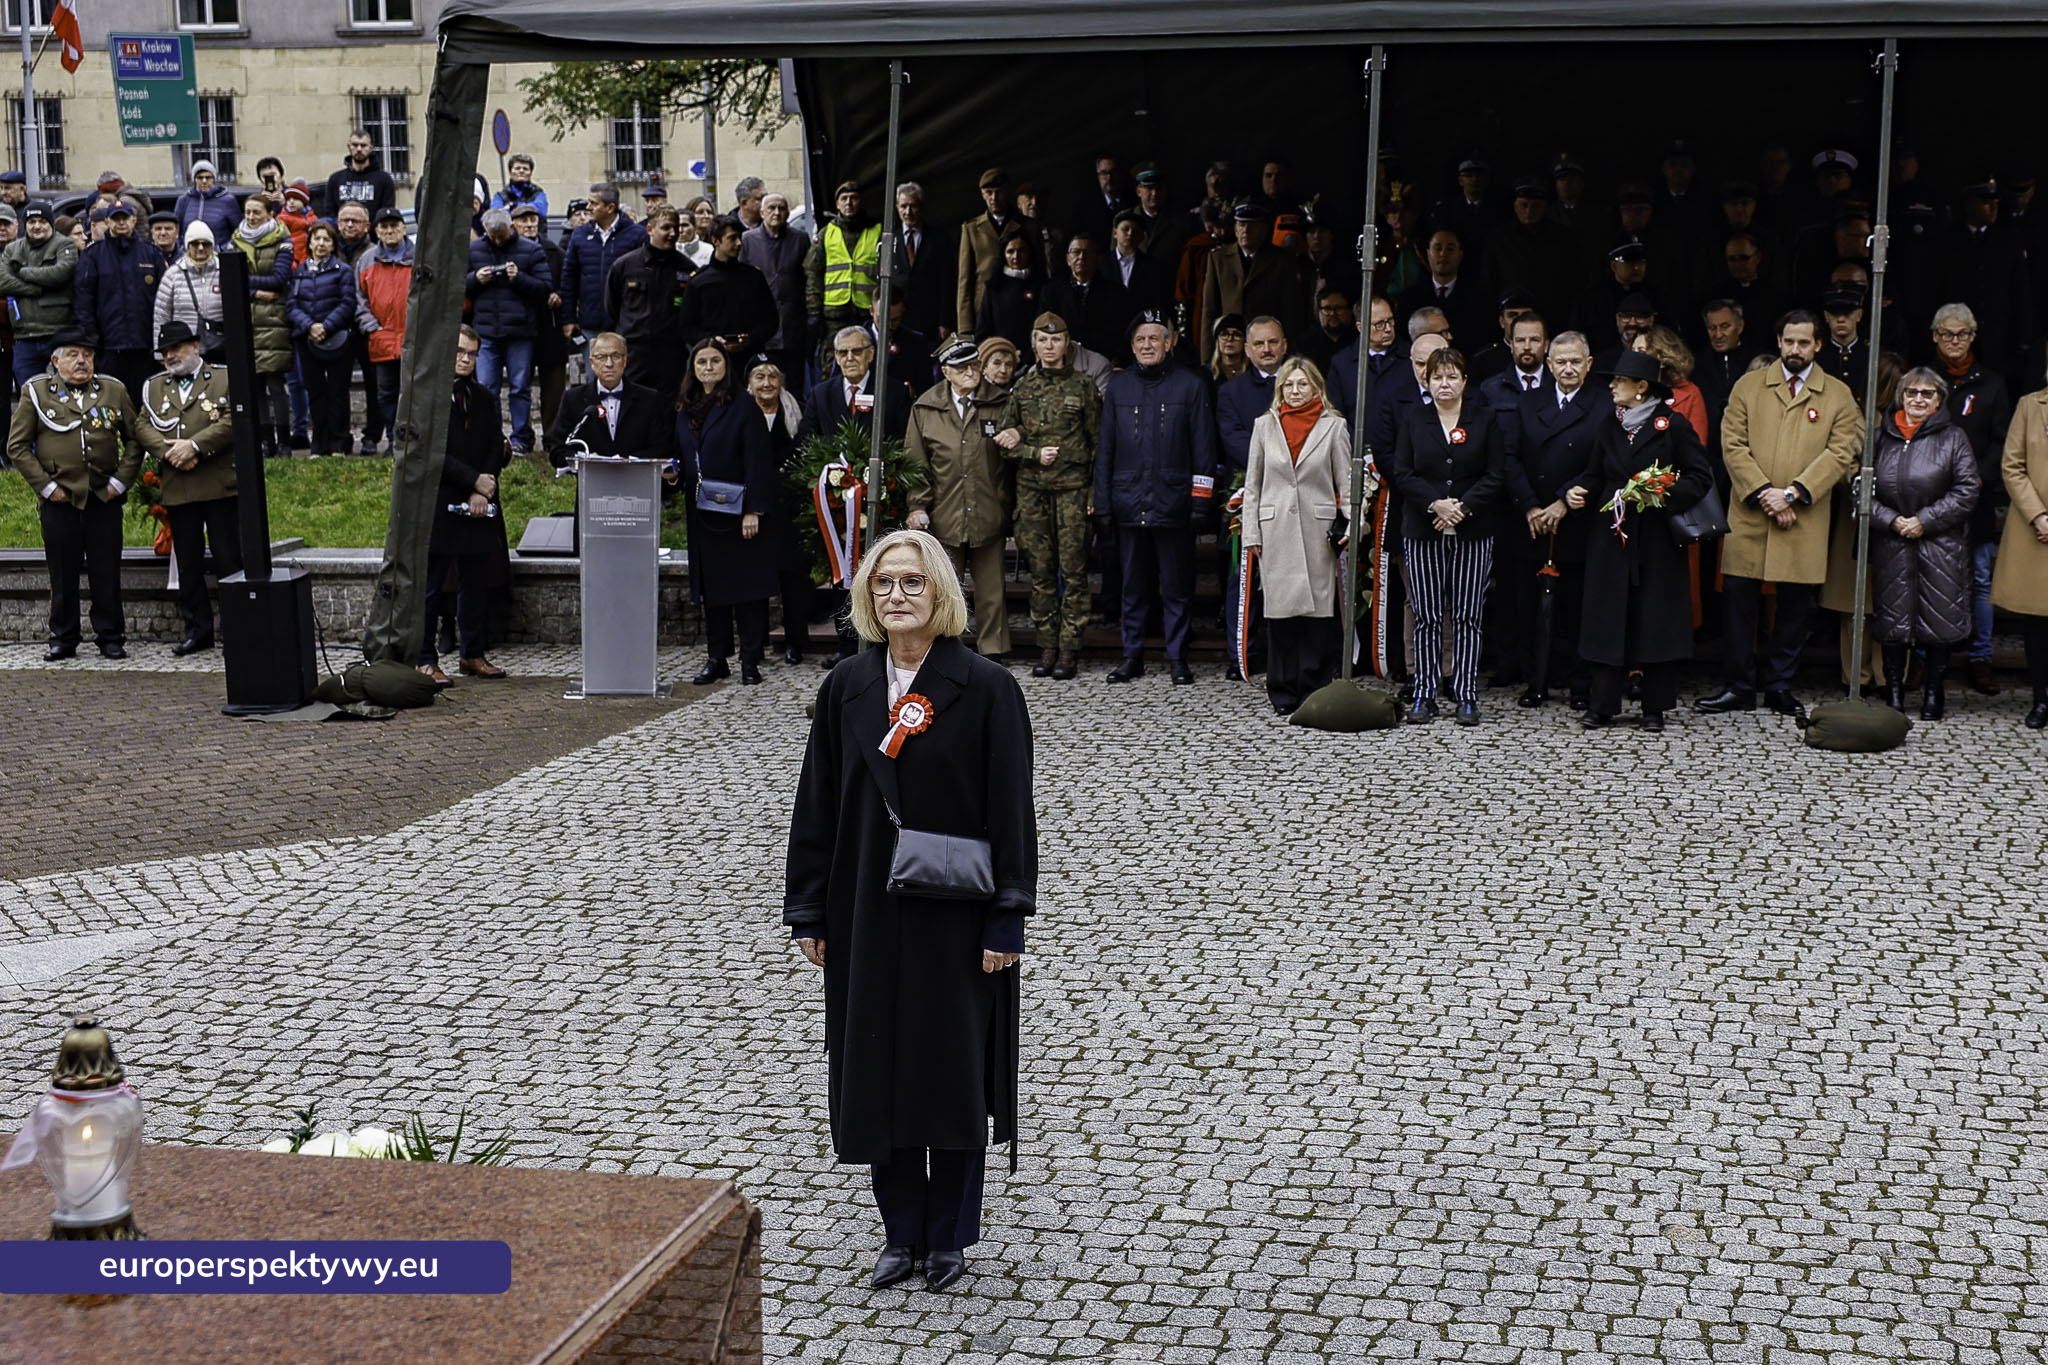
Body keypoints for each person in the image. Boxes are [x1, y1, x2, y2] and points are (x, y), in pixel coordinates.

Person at [782, 527, 1035, 1295]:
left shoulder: (985, 687)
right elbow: (816, 804)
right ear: (867, 597)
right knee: (877, 1067)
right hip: (864, 909)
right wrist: (810, 910)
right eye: (884, 584)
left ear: (942, 595)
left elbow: (1011, 813)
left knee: (952, 1074)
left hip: (956, 914)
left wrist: (1007, 918)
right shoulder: (846, 687)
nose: (897, 596)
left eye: (912, 583)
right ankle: (900, 1232)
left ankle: (950, 1234)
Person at [1698, 309, 1862, 718]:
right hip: (1751, 512)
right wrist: (1764, 493)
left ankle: (1779, 686)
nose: (1795, 349)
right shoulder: (1749, 386)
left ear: (1818, 346)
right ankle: (1738, 685)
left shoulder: (1838, 394)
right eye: (1789, 341)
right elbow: (1732, 445)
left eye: (1803, 342)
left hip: (1803, 515)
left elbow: (1842, 452)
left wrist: (1793, 494)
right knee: (1739, 604)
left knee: (1793, 608)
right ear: (1778, 342)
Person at [1566, 350, 1715, 730]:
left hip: (1657, 540)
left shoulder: (1673, 425)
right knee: (1606, 618)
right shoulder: (1609, 424)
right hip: (1612, 538)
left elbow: (1700, 477)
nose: (1612, 387)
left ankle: (1654, 707)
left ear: (1641, 388)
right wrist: (1577, 490)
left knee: (1656, 619)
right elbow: (1595, 472)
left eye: (1619, 381)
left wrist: (1660, 493)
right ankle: (1602, 704)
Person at [1096, 312, 1217, 684]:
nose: (1147, 345)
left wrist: (1200, 501)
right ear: (1132, 347)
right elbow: (1106, 451)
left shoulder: (1191, 386)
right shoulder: (1118, 388)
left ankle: (1177, 657)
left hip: (1174, 502)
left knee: (1177, 586)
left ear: (1170, 343)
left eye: (1154, 338)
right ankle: (1131, 656)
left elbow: (1204, 448)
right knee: (1132, 586)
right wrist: (1102, 504)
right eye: (1140, 340)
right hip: (1128, 502)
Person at [1386, 347, 1505, 725]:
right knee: (1427, 615)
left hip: (1473, 530)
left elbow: (1496, 473)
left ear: (1465, 382)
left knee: (1469, 614)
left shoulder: (1485, 419)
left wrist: (1463, 507)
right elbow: (1402, 472)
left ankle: (1465, 693)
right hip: (1424, 530)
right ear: (1427, 380)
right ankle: (1425, 691)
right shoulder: (1413, 419)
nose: (1444, 384)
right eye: (1437, 377)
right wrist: (1436, 504)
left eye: (1452, 376)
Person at [7, 331, 140, 659]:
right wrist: (47, 488)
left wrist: (120, 482)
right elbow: (18, 447)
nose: (82, 361)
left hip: (102, 497)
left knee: (106, 570)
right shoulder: (37, 392)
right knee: (62, 573)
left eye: (87, 355)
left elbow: (135, 439)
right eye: (73, 355)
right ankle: (63, 638)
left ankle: (111, 636)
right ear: (55, 361)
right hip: (60, 500)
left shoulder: (113, 390)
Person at [1868, 368, 1981, 719]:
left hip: (1940, 544)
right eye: (1911, 392)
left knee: (1938, 622)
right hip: (1892, 542)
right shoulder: (1879, 438)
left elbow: (1967, 489)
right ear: (1900, 396)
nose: (1918, 399)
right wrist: (1890, 520)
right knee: (1893, 623)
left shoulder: (1953, 438)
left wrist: (1925, 521)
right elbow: (1859, 488)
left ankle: (1934, 694)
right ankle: (1895, 693)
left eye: (1927, 394)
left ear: (1939, 400)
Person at [995, 312, 1100, 680]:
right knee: (1040, 574)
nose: (1050, 346)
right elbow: (1004, 443)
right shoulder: (1022, 389)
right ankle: (1047, 645)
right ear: (1034, 345)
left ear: (1066, 343)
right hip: (1033, 493)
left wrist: (1092, 491)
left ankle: (1069, 648)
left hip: (1072, 492)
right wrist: (1031, 454)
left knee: (1073, 573)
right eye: (1043, 340)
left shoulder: (1084, 386)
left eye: (1056, 340)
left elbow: (1096, 442)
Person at [1242, 357, 1350, 713]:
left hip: (1317, 531)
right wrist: (1251, 533)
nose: (1296, 390)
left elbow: (1346, 485)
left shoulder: (1334, 427)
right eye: (1289, 384)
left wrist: (1351, 524)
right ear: (1280, 389)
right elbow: (1253, 486)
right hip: (1275, 531)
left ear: (1316, 386)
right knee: (1281, 615)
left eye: (1303, 383)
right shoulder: (1264, 426)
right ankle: (1283, 690)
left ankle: (1313, 687)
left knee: (1317, 615)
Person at [677, 339, 778, 685]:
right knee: (713, 592)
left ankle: (750, 661)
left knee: (747, 590)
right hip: (703, 513)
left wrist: (754, 510)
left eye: (715, 361)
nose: (708, 367)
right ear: (693, 367)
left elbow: (758, 459)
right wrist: (673, 475)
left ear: (726, 366)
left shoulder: (744, 405)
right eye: (702, 361)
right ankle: (716, 657)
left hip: (739, 515)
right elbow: (682, 455)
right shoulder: (685, 408)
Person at [1506, 330, 1598, 709]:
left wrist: (1563, 501)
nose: (1568, 369)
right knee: (1529, 607)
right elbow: (1510, 456)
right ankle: (1536, 680)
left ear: (1589, 364)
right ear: (1549, 364)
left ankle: (1580, 683)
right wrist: (1530, 504)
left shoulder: (1603, 404)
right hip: (1533, 520)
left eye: (1576, 361)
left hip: (1577, 519)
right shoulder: (1529, 402)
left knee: (1578, 606)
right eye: (1560, 362)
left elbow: (1603, 462)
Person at [1928, 302, 2016, 697]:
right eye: (1947, 334)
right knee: (1930, 578)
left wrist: (1977, 479)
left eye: (1961, 334)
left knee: (1980, 580)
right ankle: (1928, 658)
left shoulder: (1992, 383)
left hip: (1975, 495)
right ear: (1934, 337)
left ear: (1973, 337)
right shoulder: (1923, 380)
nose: (1954, 341)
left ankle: (1981, 658)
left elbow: (2002, 440)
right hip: (1929, 497)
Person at [905, 337, 1012, 659]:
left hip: (989, 509)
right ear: (946, 372)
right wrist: (918, 505)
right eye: (961, 367)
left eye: (974, 365)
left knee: (992, 591)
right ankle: (946, 651)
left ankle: (993, 653)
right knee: (944, 591)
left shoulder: (1000, 402)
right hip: (945, 512)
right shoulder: (926, 407)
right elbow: (916, 461)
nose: (971, 372)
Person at [417, 326, 512, 686]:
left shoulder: (485, 397)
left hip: (478, 500)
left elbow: (493, 443)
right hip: (439, 500)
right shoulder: (427, 397)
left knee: (475, 581)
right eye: (459, 351)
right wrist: (472, 481)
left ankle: (472, 653)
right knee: (431, 585)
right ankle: (424, 658)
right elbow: (428, 452)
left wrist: (483, 486)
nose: (465, 358)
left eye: (472, 353)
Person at [137, 319, 238, 655]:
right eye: (165, 351)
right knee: (189, 563)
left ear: (196, 347)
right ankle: (198, 630)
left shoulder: (223, 377)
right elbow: (142, 424)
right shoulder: (154, 386)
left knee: (228, 559)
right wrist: (170, 452)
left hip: (218, 482)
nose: (170, 355)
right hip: (178, 483)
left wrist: (193, 446)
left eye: (177, 348)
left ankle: (239, 629)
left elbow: (233, 420)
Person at [467, 207, 552, 456]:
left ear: (511, 228)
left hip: (520, 331)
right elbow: (455, 287)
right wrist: (474, 279)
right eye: (493, 236)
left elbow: (545, 288)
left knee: (519, 387)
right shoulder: (474, 250)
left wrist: (520, 278)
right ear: (485, 230)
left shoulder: (531, 249)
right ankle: (491, 438)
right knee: (486, 388)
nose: (497, 240)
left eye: (501, 235)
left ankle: (520, 439)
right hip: (486, 331)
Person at [1991, 362, 2048, 729]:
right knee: (2038, 620)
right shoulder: (2030, 405)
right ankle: (2042, 698)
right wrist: (2039, 515)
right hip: (2036, 530)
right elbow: (2012, 465)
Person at [747, 354, 812, 665]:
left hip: (790, 511)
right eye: (760, 377)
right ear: (749, 384)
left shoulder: (795, 413)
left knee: (792, 581)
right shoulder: (741, 414)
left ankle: (796, 643)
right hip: (756, 510)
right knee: (756, 579)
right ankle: (755, 645)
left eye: (772, 376)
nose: (767, 383)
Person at [70, 200, 164, 401]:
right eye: (115, 218)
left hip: (145, 347)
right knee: (110, 403)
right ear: (107, 221)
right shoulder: (94, 255)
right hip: (109, 348)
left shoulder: (151, 253)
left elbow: (163, 299)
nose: (121, 223)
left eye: (125, 218)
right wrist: (92, 338)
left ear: (134, 220)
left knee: (145, 402)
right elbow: (84, 300)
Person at [230, 193, 295, 461]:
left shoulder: (283, 240)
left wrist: (246, 283)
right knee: (254, 388)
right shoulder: (235, 240)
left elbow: (279, 278)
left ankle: (285, 443)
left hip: (275, 321)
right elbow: (230, 278)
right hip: (247, 320)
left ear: (269, 213)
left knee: (276, 386)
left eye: (257, 212)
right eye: (247, 212)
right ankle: (265, 442)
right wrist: (254, 292)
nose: (251, 217)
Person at [286, 219, 359, 457]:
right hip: (308, 341)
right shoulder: (300, 272)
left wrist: (326, 326)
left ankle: (339, 444)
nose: (321, 243)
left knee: (338, 393)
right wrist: (310, 326)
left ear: (333, 244)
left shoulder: (343, 271)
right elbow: (292, 305)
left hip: (337, 339)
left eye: (326, 239)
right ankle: (319, 444)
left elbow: (348, 303)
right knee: (315, 393)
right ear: (309, 242)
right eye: (316, 238)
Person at [605, 204, 693, 399]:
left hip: (671, 354)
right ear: (650, 229)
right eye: (666, 228)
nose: (672, 234)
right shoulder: (625, 266)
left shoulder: (686, 269)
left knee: (668, 411)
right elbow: (613, 307)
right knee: (633, 409)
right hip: (635, 353)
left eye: (676, 228)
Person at [1200, 203, 1307, 365]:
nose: (1246, 231)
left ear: (1264, 230)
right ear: (1235, 229)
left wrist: (1289, 356)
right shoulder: (1218, 258)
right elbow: (1210, 311)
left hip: (1267, 349)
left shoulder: (1281, 260)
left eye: (1252, 226)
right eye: (1241, 225)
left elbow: (1291, 312)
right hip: (1230, 351)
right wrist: (1207, 357)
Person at [548, 332, 669, 463]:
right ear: (592, 363)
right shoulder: (573, 398)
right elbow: (558, 451)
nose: (609, 363)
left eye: (616, 356)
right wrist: (586, 459)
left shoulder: (649, 399)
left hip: (635, 480)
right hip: (592, 481)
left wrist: (629, 462)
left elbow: (660, 448)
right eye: (601, 357)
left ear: (625, 361)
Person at [679, 214, 779, 364]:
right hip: (712, 360)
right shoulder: (699, 281)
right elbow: (687, 327)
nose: (739, 243)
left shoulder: (753, 277)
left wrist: (750, 338)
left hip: (749, 358)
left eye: (740, 238)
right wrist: (712, 340)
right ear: (715, 241)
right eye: (732, 238)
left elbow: (770, 320)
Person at [0, 202, 79, 387]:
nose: (37, 226)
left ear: (50, 223)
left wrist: (23, 272)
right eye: (32, 221)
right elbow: (3, 282)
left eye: (42, 221)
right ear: (24, 225)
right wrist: (37, 289)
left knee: (67, 392)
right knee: (29, 394)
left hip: (59, 333)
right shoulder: (13, 249)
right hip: (24, 336)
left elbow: (60, 273)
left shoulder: (65, 244)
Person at [807, 182, 882, 373]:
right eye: (844, 199)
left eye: (854, 198)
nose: (849, 203)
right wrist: (814, 312)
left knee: (868, 364)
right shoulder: (826, 233)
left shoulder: (877, 231)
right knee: (832, 366)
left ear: (861, 202)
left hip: (867, 313)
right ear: (837, 204)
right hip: (834, 316)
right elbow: (813, 274)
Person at [512, 202, 569, 450]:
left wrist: (559, 296)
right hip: (518, 327)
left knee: (554, 386)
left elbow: (568, 281)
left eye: (533, 219)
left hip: (550, 327)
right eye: (523, 220)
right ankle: (522, 436)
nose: (529, 224)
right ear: (513, 223)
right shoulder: (508, 250)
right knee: (519, 385)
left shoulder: (554, 251)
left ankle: (551, 436)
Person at [355, 207, 412, 449]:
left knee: (412, 395)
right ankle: (393, 439)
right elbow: (360, 299)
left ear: (403, 228)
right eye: (384, 227)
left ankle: (412, 441)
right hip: (382, 339)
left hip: (414, 339)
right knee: (386, 394)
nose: (389, 231)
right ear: (376, 230)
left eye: (394, 226)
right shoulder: (366, 260)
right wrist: (373, 328)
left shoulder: (420, 256)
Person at [562, 184, 649, 343]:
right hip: (591, 322)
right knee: (594, 366)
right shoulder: (580, 235)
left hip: (627, 323)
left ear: (610, 208)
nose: (588, 208)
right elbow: (569, 278)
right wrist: (568, 318)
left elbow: (647, 279)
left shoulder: (637, 235)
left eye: (594, 203)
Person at [741, 191, 812, 382]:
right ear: (762, 212)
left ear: (788, 213)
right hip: (761, 325)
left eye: (781, 208)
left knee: (794, 381)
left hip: (793, 324)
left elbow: (808, 278)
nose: (777, 212)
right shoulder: (748, 240)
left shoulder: (800, 239)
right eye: (771, 208)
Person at [798, 325, 911, 443]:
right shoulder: (820, 394)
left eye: (857, 351)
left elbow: (903, 441)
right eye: (843, 353)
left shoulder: (896, 392)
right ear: (836, 357)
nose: (850, 358)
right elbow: (804, 439)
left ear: (871, 353)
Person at [957, 167, 1035, 335]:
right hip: (982, 311)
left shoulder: (1027, 226)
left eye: (998, 192)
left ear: (1007, 191)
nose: (994, 198)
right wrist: (965, 326)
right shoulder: (971, 228)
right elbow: (965, 280)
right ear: (982, 194)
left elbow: (1039, 268)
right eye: (989, 193)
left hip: (1019, 307)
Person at [891, 181, 954, 342]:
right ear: (897, 207)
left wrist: (945, 322)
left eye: (913, 206)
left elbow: (947, 283)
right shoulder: (889, 240)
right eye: (903, 206)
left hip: (929, 321)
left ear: (922, 206)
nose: (908, 212)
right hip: (898, 321)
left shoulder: (938, 239)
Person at [152, 221, 224, 354]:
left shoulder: (224, 271)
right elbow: (161, 316)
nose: (201, 248)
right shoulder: (173, 275)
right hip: (184, 347)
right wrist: (160, 352)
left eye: (206, 243)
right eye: (195, 243)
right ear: (187, 246)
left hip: (220, 346)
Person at [973, 226, 1046, 352]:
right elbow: (983, 331)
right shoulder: (993, 288)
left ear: (1030, 253)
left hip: (1035, 358)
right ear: (1003, 255)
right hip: (1001, 358)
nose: (1016, 256)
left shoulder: (1042, 286)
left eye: (1021, 251)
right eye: (1010, 251)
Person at [326, 130, 397, 218]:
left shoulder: (384, 180)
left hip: (372, 231)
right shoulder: (335, 179)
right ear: (349, 147)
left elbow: (386, 213)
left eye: (363, 145)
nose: (359, 149)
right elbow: (330, 212)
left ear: (371, 148)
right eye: (355, 145)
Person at [174, 161, 240, 244]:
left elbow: (237, 232)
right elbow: (176, 230)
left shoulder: (228, 200)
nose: (204, 181)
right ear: (194, 179)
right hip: (189, 253)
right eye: (200, 177)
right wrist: (182, 248)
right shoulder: (184, 200)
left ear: (214, 179)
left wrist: (223, 249)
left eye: (208, 177)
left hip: (218, 254)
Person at [491, 153, 548, 221]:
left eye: (525, 169)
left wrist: (512, 207)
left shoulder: (538, 193)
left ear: (530, 173)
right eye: (517, 168)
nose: (521, 171)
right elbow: (496, 216)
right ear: (510, 172)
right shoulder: (500, 196)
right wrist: (528, 208)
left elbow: (541, 210)